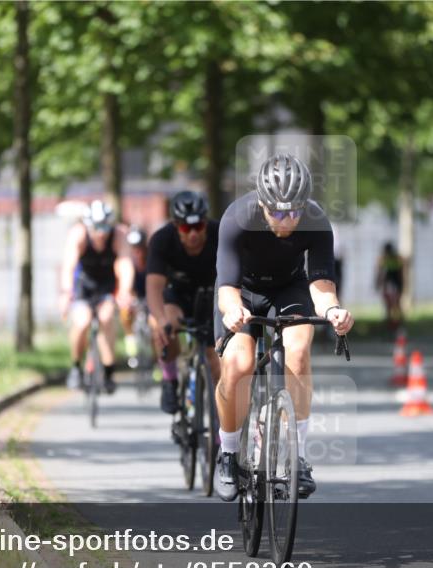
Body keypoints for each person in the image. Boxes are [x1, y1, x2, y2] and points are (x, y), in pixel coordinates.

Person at [213, 154, 354, 502]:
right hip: (242, 293)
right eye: (276, 213)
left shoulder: (316, 220)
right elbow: (226, 286)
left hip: (289, 288)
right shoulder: (237, 218)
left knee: (299, 350)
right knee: (239, 363)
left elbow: (321, 283)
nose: (286, 221)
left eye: (294, 213)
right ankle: (228, 452)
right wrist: (233, 311)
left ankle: (298, 457)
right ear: (262, 203)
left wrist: (333, 310)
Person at [146, 191, 220, 413]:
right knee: (165, 326)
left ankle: (220, 423)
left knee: (216, 359)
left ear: (206, 223)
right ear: (176, 226)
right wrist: (160, 320)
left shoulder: (220, 234)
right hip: (177, 295)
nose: (193, 234)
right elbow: (154, 287)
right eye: (187, 228)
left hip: (212, 296)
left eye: (198, 226)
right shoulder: (162, 240)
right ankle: (170, 379)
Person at [59, 200, 134, 393]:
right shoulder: (79, 234)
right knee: (82, 322)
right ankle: (76, 366)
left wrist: (125, 291)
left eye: (104, 228)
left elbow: (125, 264)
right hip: (84, 286)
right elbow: (68, 266)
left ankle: (109, 370)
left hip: (106, 285)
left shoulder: (119, 235)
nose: (100, 233)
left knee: (106, 318)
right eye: (96, 228)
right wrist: (66, 293)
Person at [121, 226, 148, 366]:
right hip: (135, 295)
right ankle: (130, 344)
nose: (137, 251)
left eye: (139, 246)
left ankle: (157, 360)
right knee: (125, 312)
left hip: (149, 296)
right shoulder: (127, 261)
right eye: (133, 247)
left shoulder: (151, 259)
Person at [376, 242, 404, 331]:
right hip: (391, 286)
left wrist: (378, 284)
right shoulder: (389, 259)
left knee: (393, 306)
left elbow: (381, 274)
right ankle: (393, 324)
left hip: (392, 286)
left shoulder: (387, 260)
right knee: (392, 306)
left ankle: (396, 323)